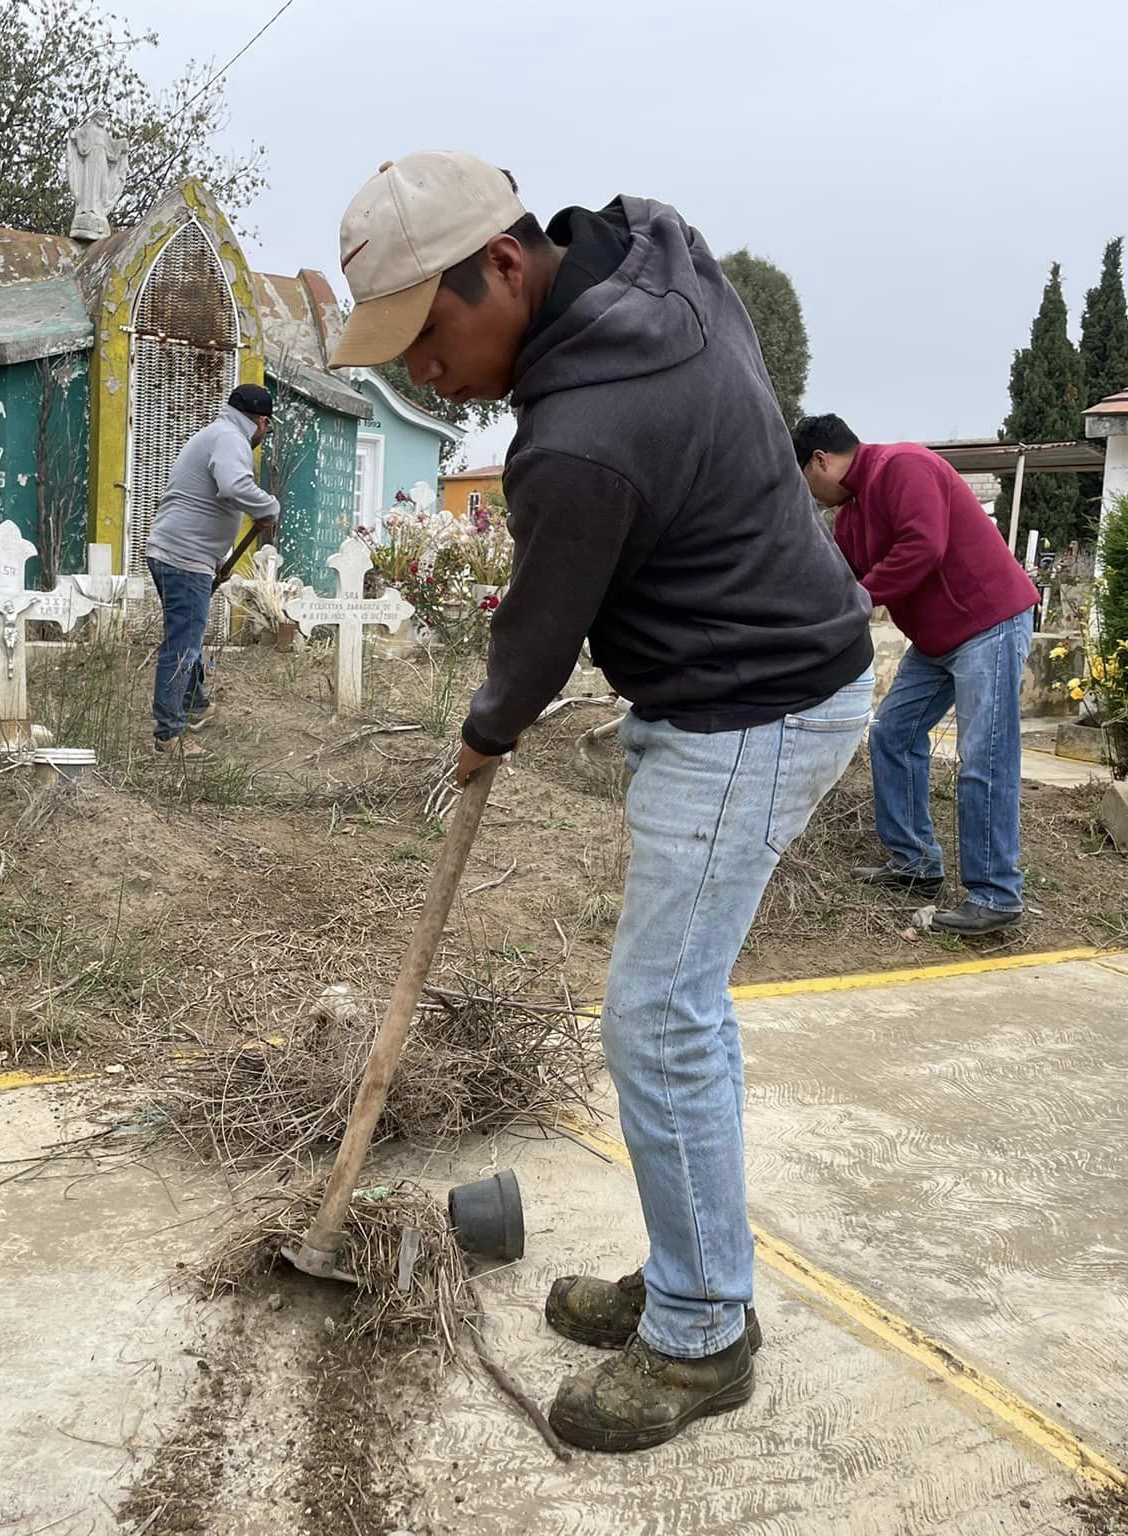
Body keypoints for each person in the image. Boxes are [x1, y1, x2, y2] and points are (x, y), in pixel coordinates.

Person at [327, 152, 874, 1453]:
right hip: (779, 676)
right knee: (681, 1013)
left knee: (659, 1019)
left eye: (427, 338)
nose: (423, 377)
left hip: (750, 707)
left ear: (504, 266)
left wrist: (484, 731)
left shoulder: (578, 439)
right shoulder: (658, 247)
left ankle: (698, 1339)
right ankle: (700, 1272)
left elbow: (537, 630)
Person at [793, 414, 1040, 935]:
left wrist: (857, 602)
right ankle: (915, 863)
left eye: (805, 479)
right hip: (939, 639)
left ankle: (996, 894)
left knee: (985, 757)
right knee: (893, 734)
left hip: (989, 623)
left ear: (821, 460)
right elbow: (841, 580)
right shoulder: (851, 513)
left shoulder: (903, 466)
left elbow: (921, 546)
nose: (809, 494)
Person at [143, 384, 279, 761]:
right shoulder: (231, 438)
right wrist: (269, 507)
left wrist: (215, 561)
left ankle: (196, 705)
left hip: (184, 555)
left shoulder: (217, 434)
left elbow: (210, 500)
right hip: (182, 557)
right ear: (261, 422)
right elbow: (233, 485)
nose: (263, 435)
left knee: (188, 635)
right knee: (183, 644)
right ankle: (169, 735)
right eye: (266, 427)